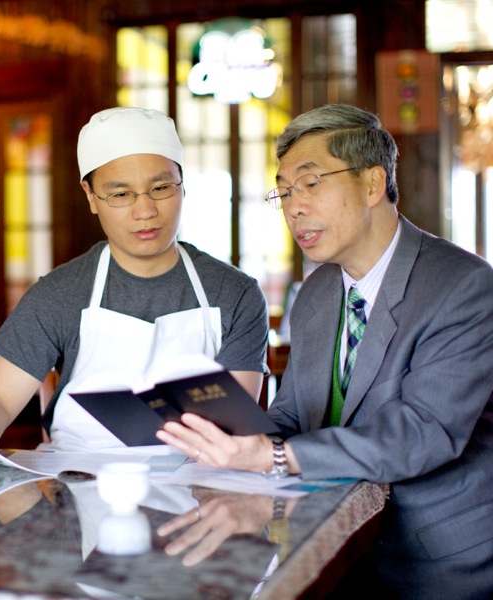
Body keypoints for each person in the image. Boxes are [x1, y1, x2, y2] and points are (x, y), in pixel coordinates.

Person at [156, 104, 493, 598]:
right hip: (334, 537)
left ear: (373, 184)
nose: (293, 208)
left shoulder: (463, 286)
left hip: (438, 558)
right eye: (284, 191)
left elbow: (424, 432)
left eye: (310, 184)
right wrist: (224, 435)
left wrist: (272, 455)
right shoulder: (316, 292)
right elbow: (294, 414)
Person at [0, 106, 268, 465]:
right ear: (90, 196)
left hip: (198, 479)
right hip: (77, 478)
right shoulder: (59, 294)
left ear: (183, 184)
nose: (145, 211)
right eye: (120, 195)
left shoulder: (235, 293)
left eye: (161, 188)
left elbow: (235, 430)